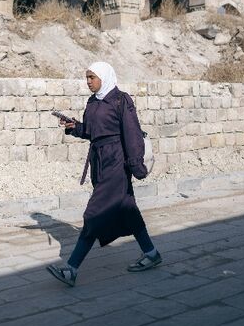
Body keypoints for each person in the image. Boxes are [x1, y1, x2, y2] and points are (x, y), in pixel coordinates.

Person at [46, 62, 161, 287]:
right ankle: (152, 253)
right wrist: (73, 126)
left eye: (92, 77)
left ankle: (71, 269)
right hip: (100, 163)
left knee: (94, 213)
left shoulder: (121, 100)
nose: (88, 81)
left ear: (104, 77)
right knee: (128, 210)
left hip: (117, 163)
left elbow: (132, 134)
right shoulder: (92, 102)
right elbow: (90, 132)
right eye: (87, 77)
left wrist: (136, 165)